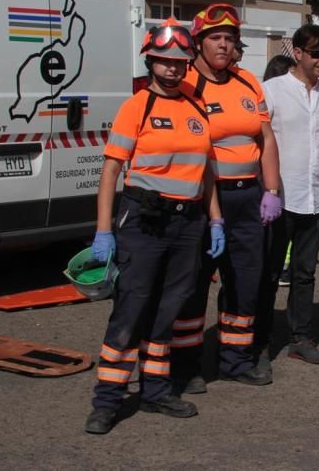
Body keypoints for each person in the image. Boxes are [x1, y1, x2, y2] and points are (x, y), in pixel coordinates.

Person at [84, 21, 221, 435]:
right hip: (143, 221)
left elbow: (207, 171)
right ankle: (107, 400)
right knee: (132, 307)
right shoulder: (137, 106)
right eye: (164, 62)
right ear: (151, 62)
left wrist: (215, 219)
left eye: (179, 63)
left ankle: (156, 391)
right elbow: (111, 171)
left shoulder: (197, 104)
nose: (173, 70)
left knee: (170, 307)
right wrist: (103, 230)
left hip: (188, 222)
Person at [170, 4, 283, 392]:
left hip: (249, 198)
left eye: (229, 38)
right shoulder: (183, 84)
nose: (223, 45)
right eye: (215, 38)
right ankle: (185, 366)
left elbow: (265, 138)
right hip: (203, 201)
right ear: (198, 42)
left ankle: (235, 360)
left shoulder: (249, 82)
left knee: (244, 281)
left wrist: (271, 190)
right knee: (193, 284)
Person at [261, 24, 319, 366]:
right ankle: (259, 342)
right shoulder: (271, 91)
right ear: (298, 53)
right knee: (267, 272)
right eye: (317, 53)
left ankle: (300, 337)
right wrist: (268, 191)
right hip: (280, 199)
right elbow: (257, 142)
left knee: (305, 272)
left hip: (316, 199)